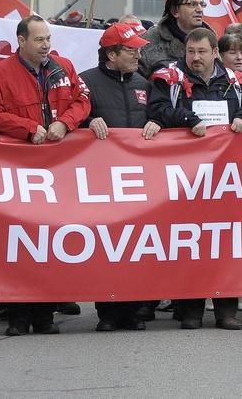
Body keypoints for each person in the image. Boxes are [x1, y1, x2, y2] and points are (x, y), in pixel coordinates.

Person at [0, 15, 91, 336]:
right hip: (18, 172)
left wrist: (64, 123)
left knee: (49, 242)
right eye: (39, 40)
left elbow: (83, 100)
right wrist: (28, 129)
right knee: (20, 243)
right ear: (21, 41)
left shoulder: (63, 67)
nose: (46, 46)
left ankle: (44, 314)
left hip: (57, 171)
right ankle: (18, 315)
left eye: (48, 39)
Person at [147, 27, 242, 330]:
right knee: (191, 242)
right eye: (190, 52)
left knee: (226, 242)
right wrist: (187, 119)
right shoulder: (171, 78)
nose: (195, 58)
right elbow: (158, 110)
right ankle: (191, 310)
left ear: (214, 54)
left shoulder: (232, 80)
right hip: (188, 176)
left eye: (201, 52)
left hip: (226, 176)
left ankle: (226, 311)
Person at [79, 22, 158, 332]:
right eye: (131, 50)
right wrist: (88, 120)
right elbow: (72, 115)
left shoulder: (143, 83)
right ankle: (108, 312)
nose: (138, 54)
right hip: (102, 179)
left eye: (138, 49)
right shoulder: (86, 82)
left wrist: (157, 125)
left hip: (139, 180)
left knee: (137, 246)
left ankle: (134, 310)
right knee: (108, 246)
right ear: (111, 54)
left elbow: (156, 114)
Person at [138, 0, 207, 76]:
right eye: (192, 4)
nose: (200, 9)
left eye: (202, 4)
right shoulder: (150, 40)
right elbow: (136, 82)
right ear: (175, 11)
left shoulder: (209, 39)